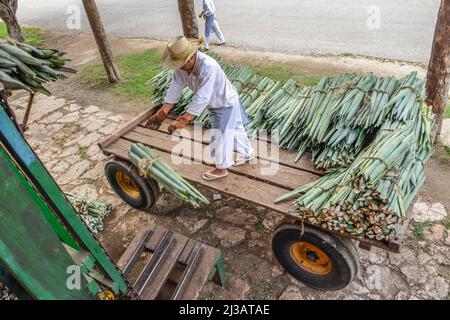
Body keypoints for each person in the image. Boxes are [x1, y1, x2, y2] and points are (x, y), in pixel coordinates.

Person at [145, 36, 254, 181]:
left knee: (219, 137)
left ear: (191, 57)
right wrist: (164, 110)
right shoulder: (182, 68)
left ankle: (221, 168)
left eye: (182, 63)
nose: (180, 67)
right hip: (219, 103)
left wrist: (183, 119)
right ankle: (247, 153)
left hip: (224, 103)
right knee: (235, 129)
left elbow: (203, 96)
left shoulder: (208, 66)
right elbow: (175, 85)